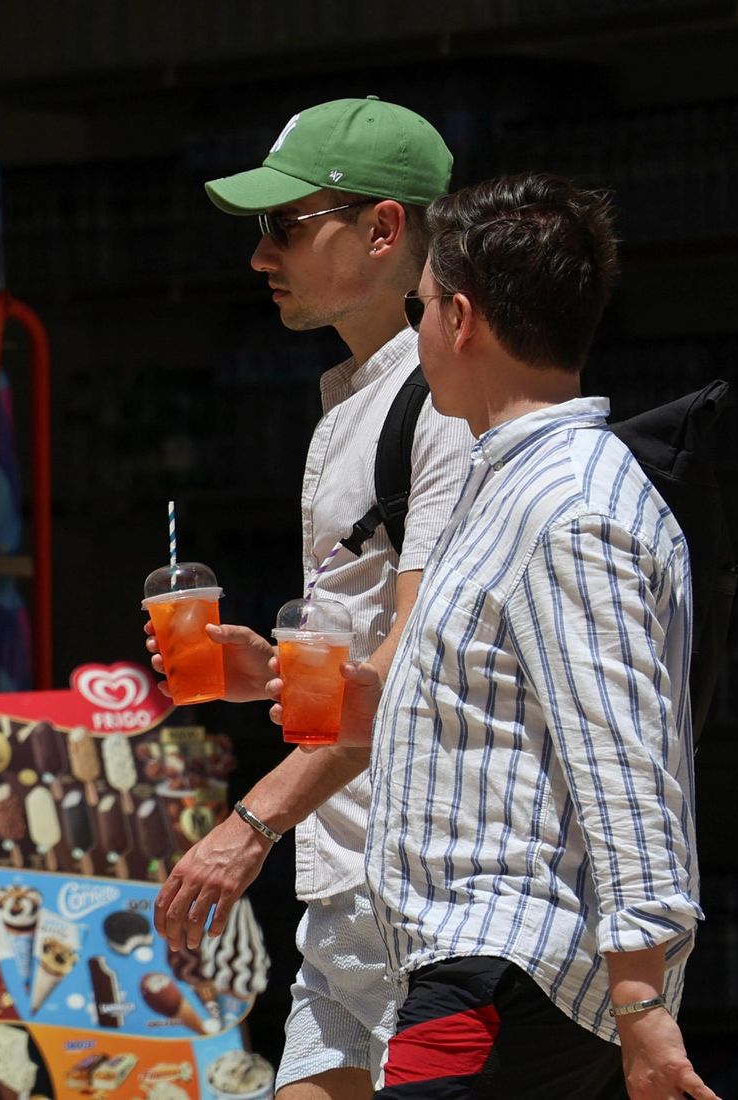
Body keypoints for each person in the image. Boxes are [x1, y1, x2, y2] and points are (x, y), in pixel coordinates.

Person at [355, 172, 717, 1100]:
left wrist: (642, 1001)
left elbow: (623, 756)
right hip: (486, 965)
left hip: (507, 970)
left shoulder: (569, 506)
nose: (417, 329)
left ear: (461, 319)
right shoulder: (511, 480)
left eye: (421, 306)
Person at [146, 97, 474, 1099]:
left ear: (382, 229)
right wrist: (271, 672)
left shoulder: (443, 404)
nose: (260, 255)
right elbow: (369, 647)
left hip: (433, 896)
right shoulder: (355, 399)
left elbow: (413, 666)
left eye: (285, 225)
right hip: (347, 893)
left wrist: (252, 823)